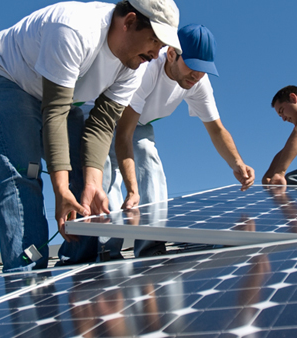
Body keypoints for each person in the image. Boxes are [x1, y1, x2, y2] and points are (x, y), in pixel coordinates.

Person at [0, 0, 181, 272]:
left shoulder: (136, 64)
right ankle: (27, 280)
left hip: (62, 99)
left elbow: (102, 124)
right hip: (7, 78)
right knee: (25, 173)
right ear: (129, 22)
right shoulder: (75, 30)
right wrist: (60, 189)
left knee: (84, 184)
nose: (157, 53)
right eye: (154, 40)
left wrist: (92, 185)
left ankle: (79, 271)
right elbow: (54, 110)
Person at [107, 24, 255, 258]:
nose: (197, 75)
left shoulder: (197, 83)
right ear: (172, 54)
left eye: (203, 70)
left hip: (139, 124)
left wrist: (237, 163)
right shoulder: (146, 70)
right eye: (193, 67)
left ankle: (152, 247)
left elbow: (216, 129)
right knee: (110, 174)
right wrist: (132, 189)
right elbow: (123, 134)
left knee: (148, 157)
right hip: (107, 117)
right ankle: (106, 249)